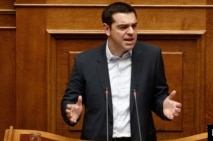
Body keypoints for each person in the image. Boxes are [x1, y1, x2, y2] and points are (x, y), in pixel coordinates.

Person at [61, 2, 182, 141]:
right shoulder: (85, 61)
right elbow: (70, 100)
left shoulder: (151, 56)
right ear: (107, 29)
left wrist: (162, 105)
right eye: (123, 27)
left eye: (134, 26)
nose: (131, 32)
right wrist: (70, 113)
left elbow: (158, 95)